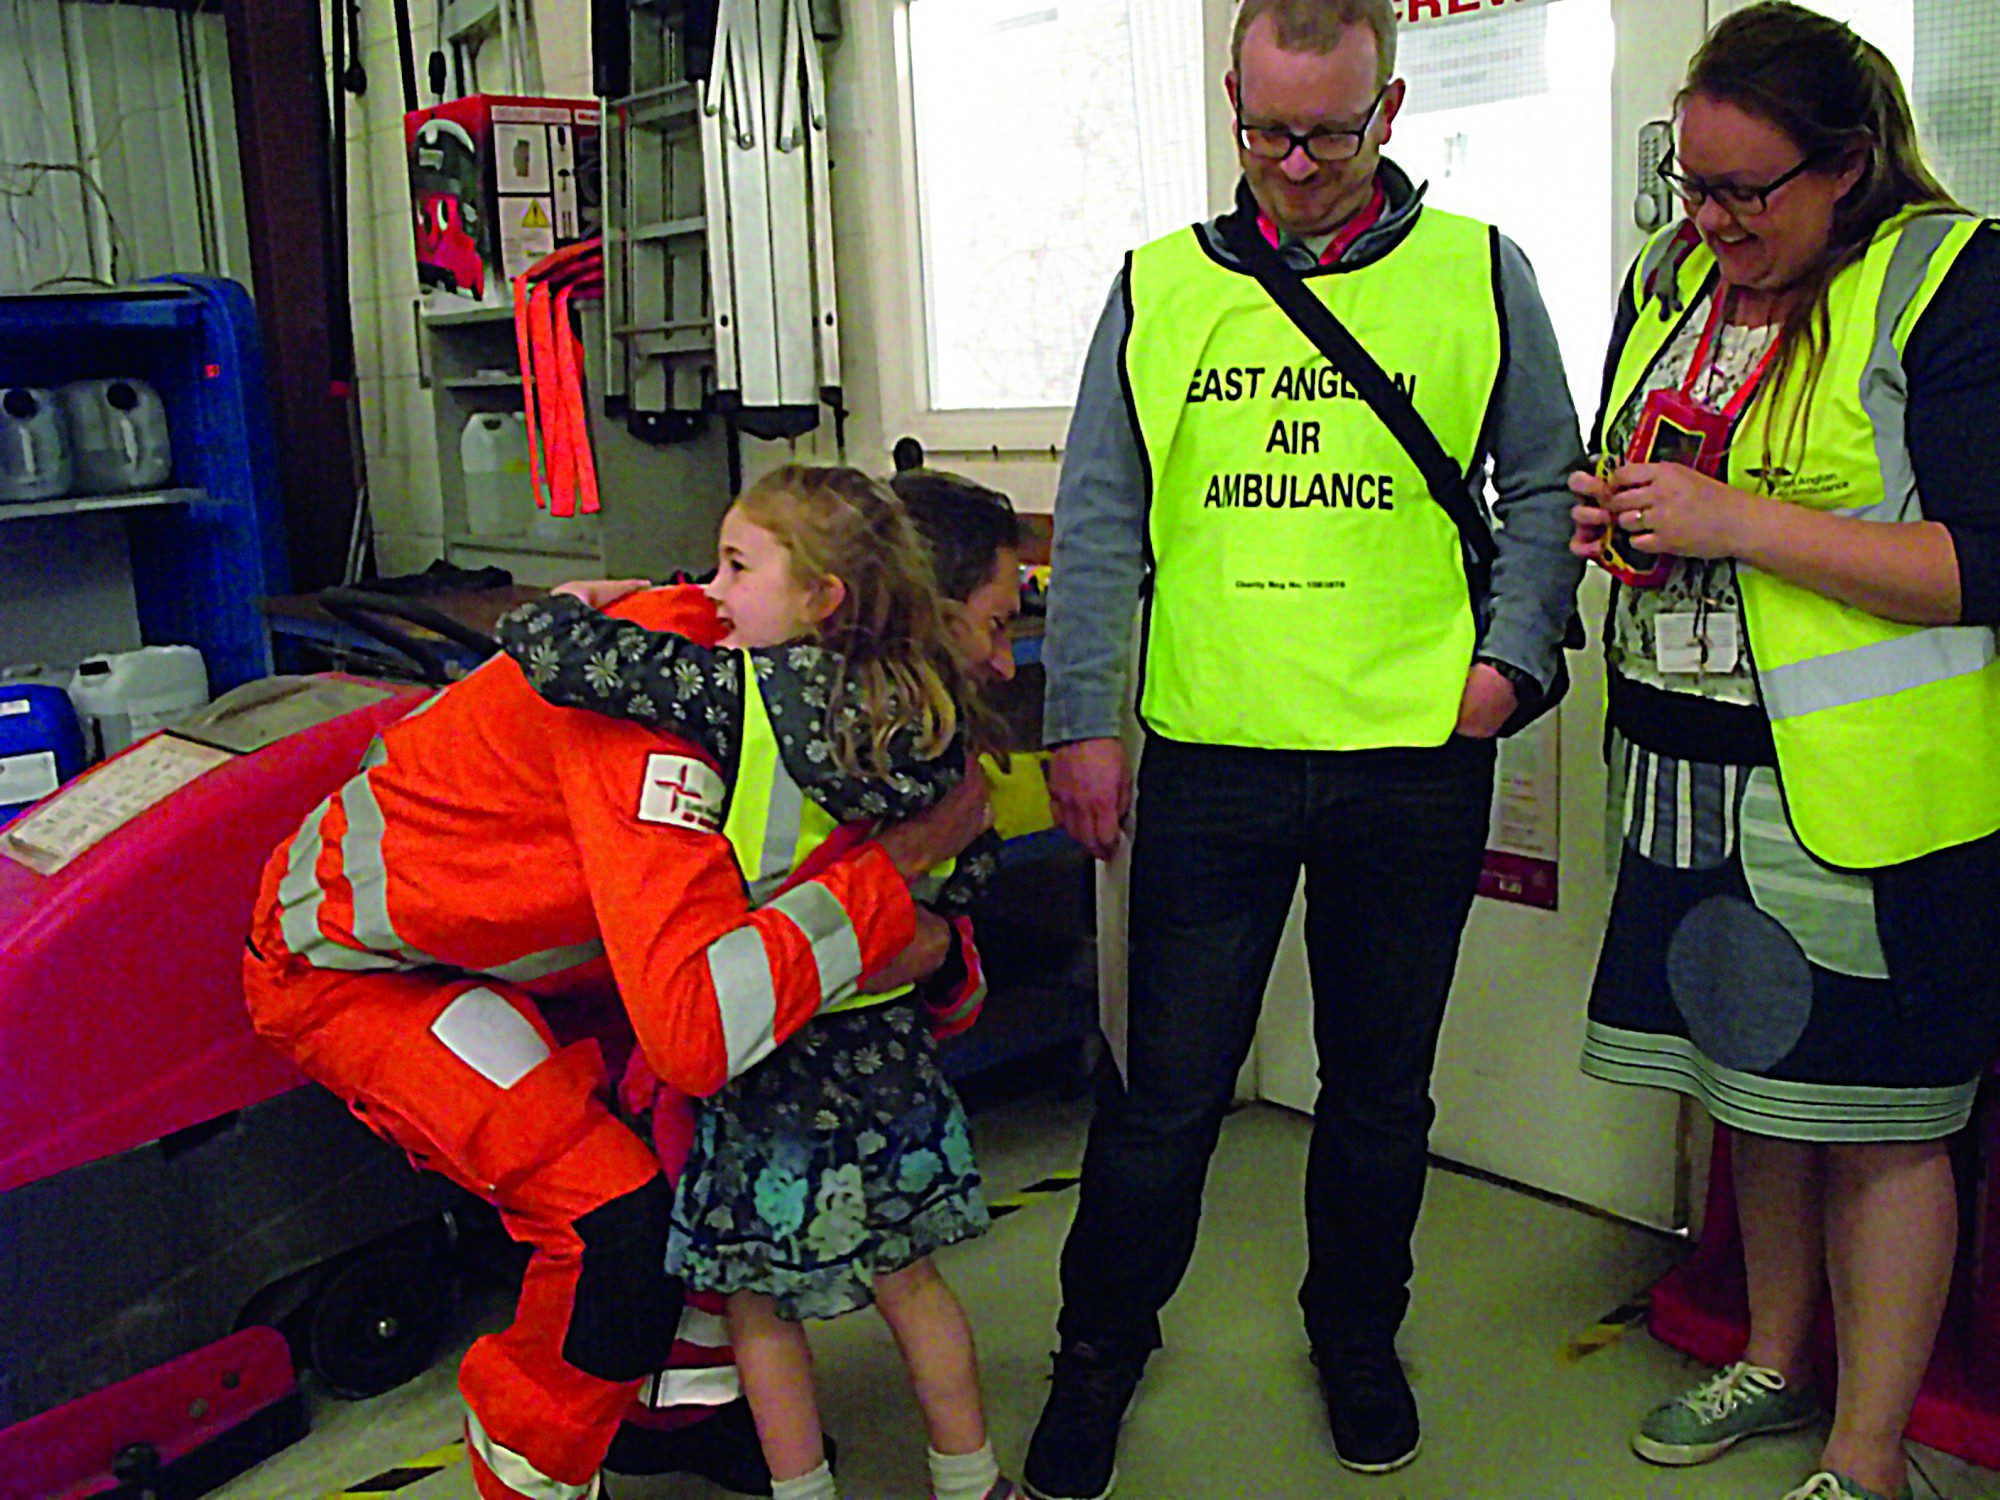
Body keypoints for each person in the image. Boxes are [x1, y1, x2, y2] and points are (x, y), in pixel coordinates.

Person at [1025, 0, 1585, 1492]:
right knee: (1169, 1094)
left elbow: (1543, 483)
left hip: (1414, 760)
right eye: (1266, 132)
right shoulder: (1158, 288)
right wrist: (1084, 716)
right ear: (1231, 99)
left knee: (1381, 1091)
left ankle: (1355, 1332)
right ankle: (1097, 1347)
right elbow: (1099, 522)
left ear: (1390, 109)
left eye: (1330, 134)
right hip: (1213, 761)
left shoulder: (1482, 272)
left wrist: (1509, 662)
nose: (1294, 165)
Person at [241, 476, 991, 1500]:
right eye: (993, 629)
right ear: (891, 615)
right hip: (360, 971)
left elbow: (873, 954)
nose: (1002, 660)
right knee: (611, 1223)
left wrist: (927, 937)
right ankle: (532, 1472)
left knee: (701, 1138)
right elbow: (701, 1027)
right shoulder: (670, 715)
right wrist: (891, 880)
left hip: (541, 947)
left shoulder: (835, 713)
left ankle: (674, 1411)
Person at [1568, 8, 2000, 1500]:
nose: (1711, 221)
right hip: (1684, 762)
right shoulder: (1673, 279)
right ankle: (1770, 1354)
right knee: (1751, 1081)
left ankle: (1868, 1452)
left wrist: (1733, 522)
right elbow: (1675, 468)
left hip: (1867, 791)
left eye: (1747, 191)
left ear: (1849, 165)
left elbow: (1980, 562)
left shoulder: (1944, 280)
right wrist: (1623, 516)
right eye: (1690, 183)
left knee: (1883, 1125)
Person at [498, 464, 1026, 1500]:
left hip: (773, 1049)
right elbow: (961, 869)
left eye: (737, 567)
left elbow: (570, 664)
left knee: (757, 1308)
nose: (713, 592)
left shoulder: (740, 693)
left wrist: (569, 605)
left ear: (820, 598)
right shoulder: (925, 702)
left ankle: (802, 1492)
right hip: (887, 1060)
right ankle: (972, 1482)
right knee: (911, 1284)